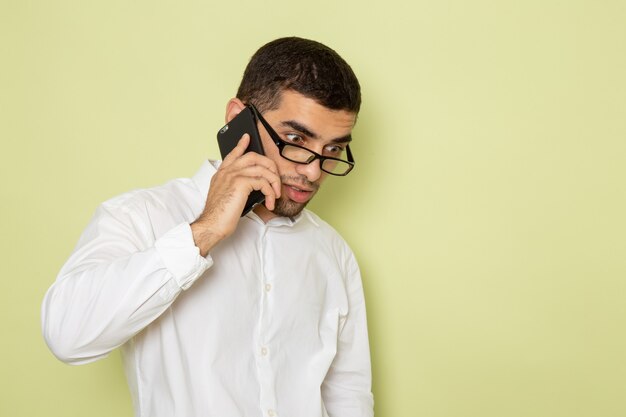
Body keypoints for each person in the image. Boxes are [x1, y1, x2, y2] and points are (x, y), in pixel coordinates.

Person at [42, 37, 373, 417]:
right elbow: (66, 337)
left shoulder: (332, 252)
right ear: (238, 118)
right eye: (295, 140)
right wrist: (205, 231)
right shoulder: (141, 216)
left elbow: (347, 391)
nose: (312, 171)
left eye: (332, 150)